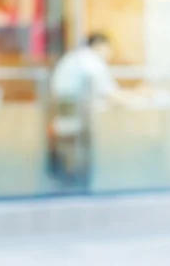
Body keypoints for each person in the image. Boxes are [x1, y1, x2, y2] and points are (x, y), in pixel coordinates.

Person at [51, 33, 134, 183]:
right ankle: (84, 175)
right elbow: (110, 93)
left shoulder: (79, 58)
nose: (110, 53)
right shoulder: (90, 61)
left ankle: (75, 173)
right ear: (100, 46)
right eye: (110, 49)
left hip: (67, 108)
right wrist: (134, 102)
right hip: (75, 110)